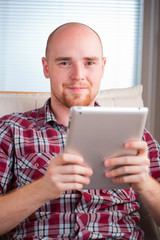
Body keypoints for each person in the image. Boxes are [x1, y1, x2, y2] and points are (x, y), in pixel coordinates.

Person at [0, 22, 160, 240]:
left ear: (103, 66)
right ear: (46, 68)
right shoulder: (11, 130)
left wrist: (146, 184)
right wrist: (44, 189)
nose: (78, 75)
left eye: (89, 62)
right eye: (65, 62)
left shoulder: (136, 136)